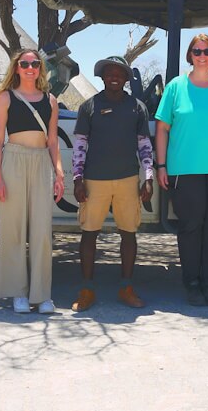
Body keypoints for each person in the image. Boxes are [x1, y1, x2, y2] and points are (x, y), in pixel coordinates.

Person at [155, 34, 208, 306]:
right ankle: (192, 284)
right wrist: (162, 165)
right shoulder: (175, 88)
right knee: (191, 227)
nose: (201, 55)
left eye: (206, 51)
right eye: (196, 50)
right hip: (184, 169)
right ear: (190, 55)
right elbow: (162, 129)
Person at [71, 55, 154, 312]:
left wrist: (148, 177)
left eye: (119, 73)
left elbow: (144, 145)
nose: (114, 77)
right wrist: (77, 178)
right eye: (109, 73)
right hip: (95, 180)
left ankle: (126, 288)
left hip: (127, 179)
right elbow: (80, 144)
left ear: (127, 78)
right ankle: (87, 290)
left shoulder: (137, 107)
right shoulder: (89, 107)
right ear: (102, 77)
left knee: (128, 234)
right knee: (89, 234)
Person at [0, 49, 64, 314]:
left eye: (35, 64)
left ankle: (42, 295)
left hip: (40, 162)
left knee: (42, 232)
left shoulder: (51, 100)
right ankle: (17, 293)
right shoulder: (5, 98)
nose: (30, 68)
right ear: (17, 68)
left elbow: (53, 141)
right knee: (13, 230)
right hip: (13, 160)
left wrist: (59, 172)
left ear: (40, 68)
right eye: (25, 64)